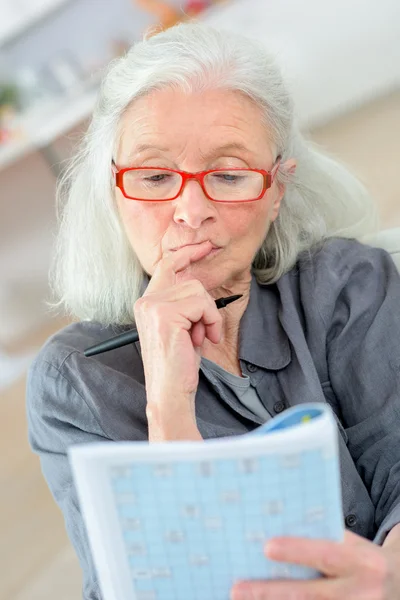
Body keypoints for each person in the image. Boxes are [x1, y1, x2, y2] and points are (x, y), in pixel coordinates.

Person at [26, 22, 400, 600]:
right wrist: (169, 409)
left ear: (277, 189)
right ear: (114, 192)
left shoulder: (347, 283)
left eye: (228, 175)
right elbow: (143, 585)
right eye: (154, 177)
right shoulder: (73, 379)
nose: (190, 210)